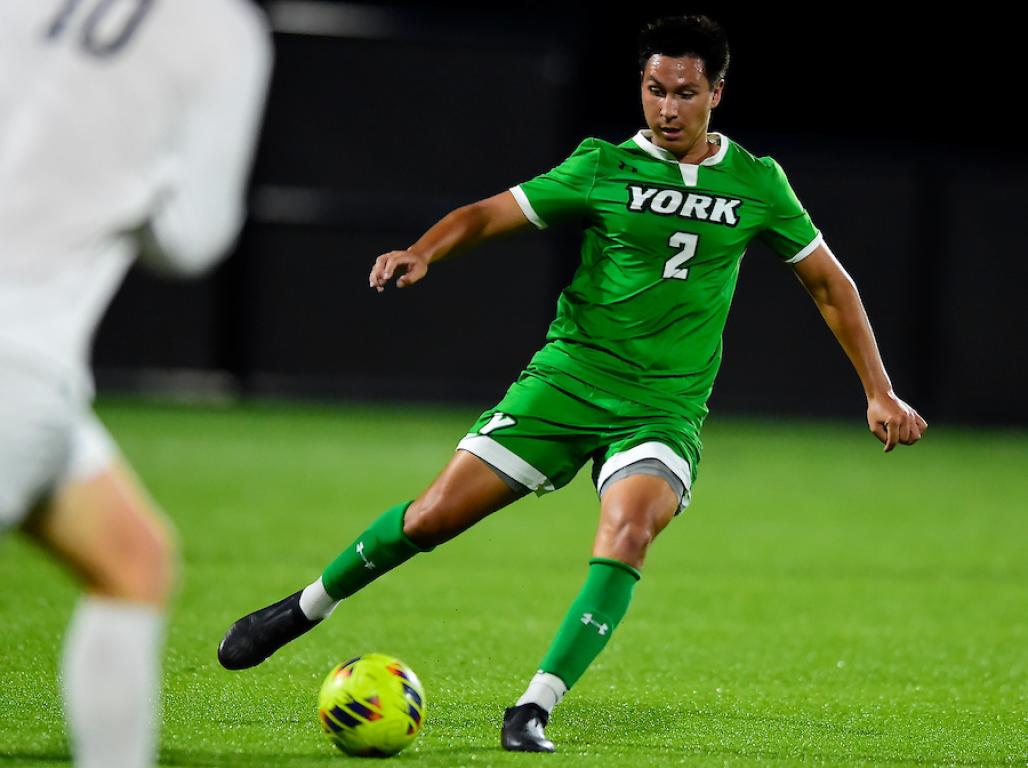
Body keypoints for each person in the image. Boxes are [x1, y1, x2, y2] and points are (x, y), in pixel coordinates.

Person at [218, 14, 926, 753]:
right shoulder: (602, 166)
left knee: (628, 532)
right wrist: (425, 249)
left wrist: (878, 389)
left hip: (661, 408)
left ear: (716, 91)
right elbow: (489, 213)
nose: (667, 108)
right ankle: (304, 608)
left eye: (685, 92)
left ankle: (532, 708)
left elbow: (828, 283)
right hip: (568, 383)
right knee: (430, 518)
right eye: (655, 90)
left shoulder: (758, 182)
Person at [0, 1, 271, 766]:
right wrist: (138, 180)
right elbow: (195, 237)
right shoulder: (220, 29)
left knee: (132, 557)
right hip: (16, 365)